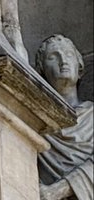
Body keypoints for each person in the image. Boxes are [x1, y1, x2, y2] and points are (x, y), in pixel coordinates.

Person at [36, 35, 94, 199]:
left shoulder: (92, 116)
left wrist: (59, 189)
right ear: (41, 70)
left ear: (80, 67)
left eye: (69, 55)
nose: (63, 62)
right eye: (53, 57)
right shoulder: (37, 122)